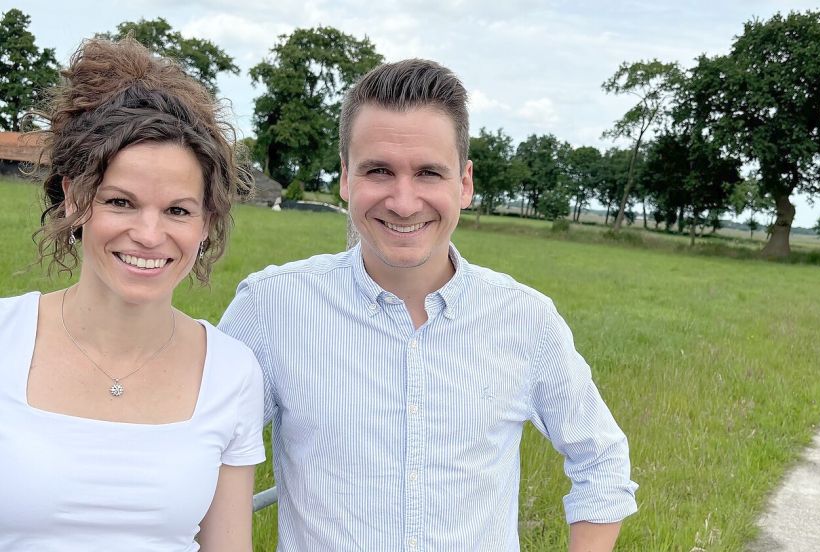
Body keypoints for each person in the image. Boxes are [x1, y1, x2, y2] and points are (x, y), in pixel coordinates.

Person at [219, 59, 638, 551]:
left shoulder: (525, 320)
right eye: (378, 170)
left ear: (463, 183)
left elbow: (601, 460)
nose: (403, 200)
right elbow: (208, 448)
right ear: (346, 179)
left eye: (428, 173)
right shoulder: (271, 308)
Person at [0, 38, 264, 551]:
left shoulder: (232, 373)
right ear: (76, 200)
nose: (149, 234)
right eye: (121, 202)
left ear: (206, 223)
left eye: (178, 210)